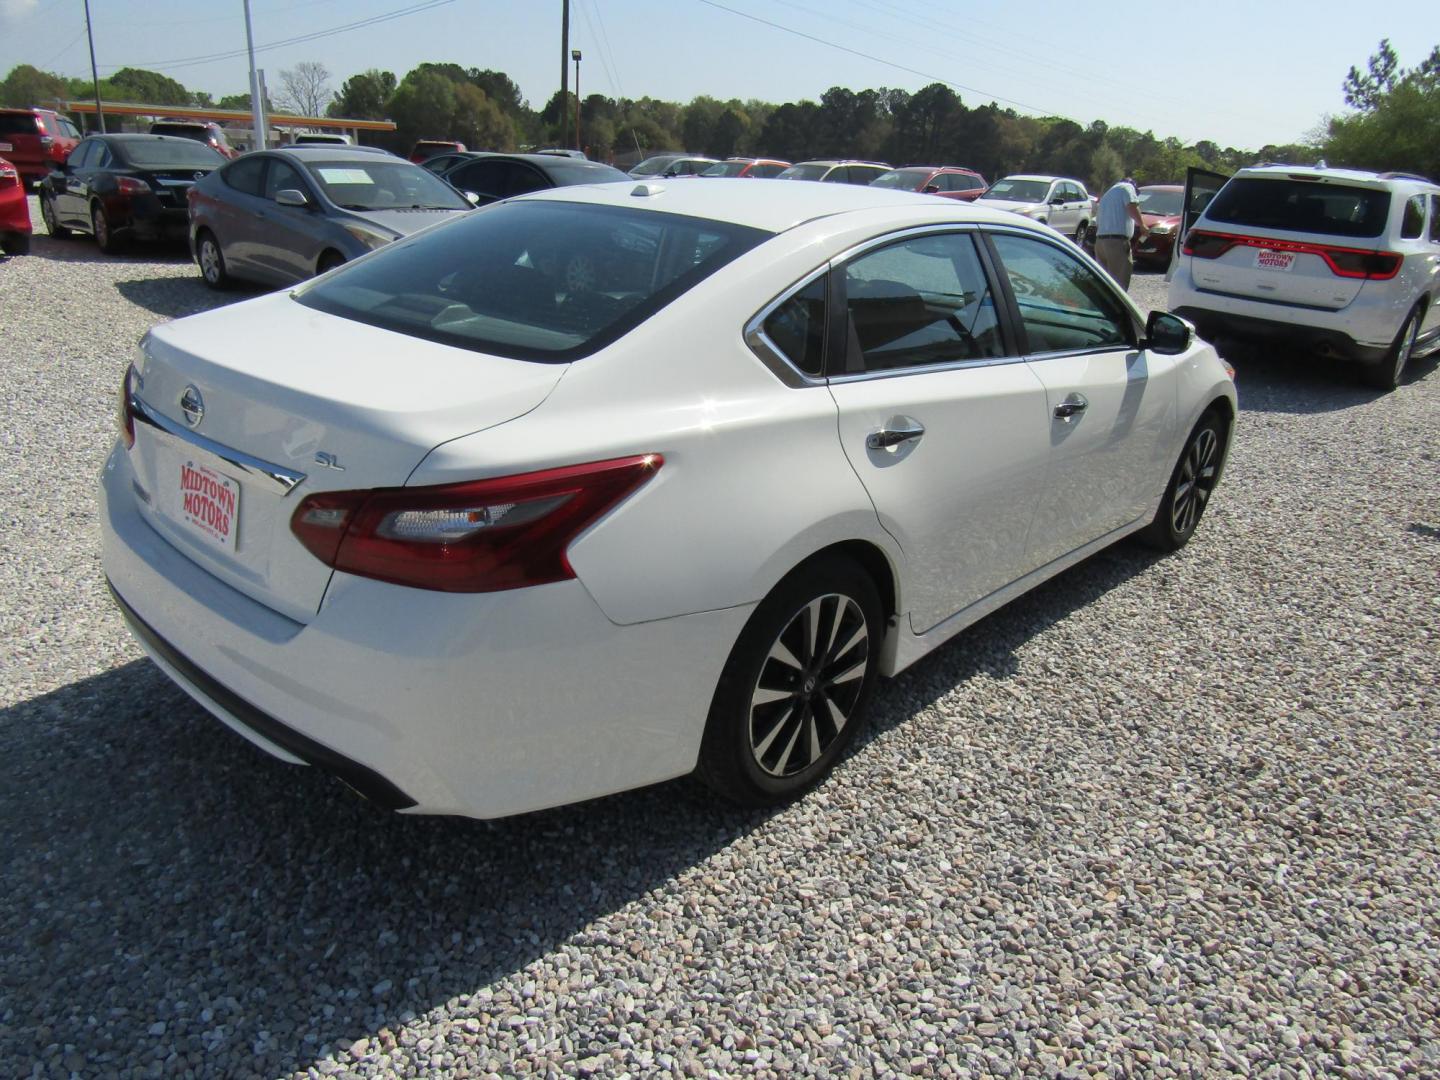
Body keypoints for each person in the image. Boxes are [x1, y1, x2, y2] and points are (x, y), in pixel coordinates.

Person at [1092, 177, 1149, 289]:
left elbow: (1098, 222)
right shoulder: (1127, 187)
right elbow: (1132, 206)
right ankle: (1116, 306)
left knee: (1104, 282)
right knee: (1119, 283)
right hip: (1116, 242)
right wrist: (1142, 225)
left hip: (1100, 242)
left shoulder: (1108, 194)